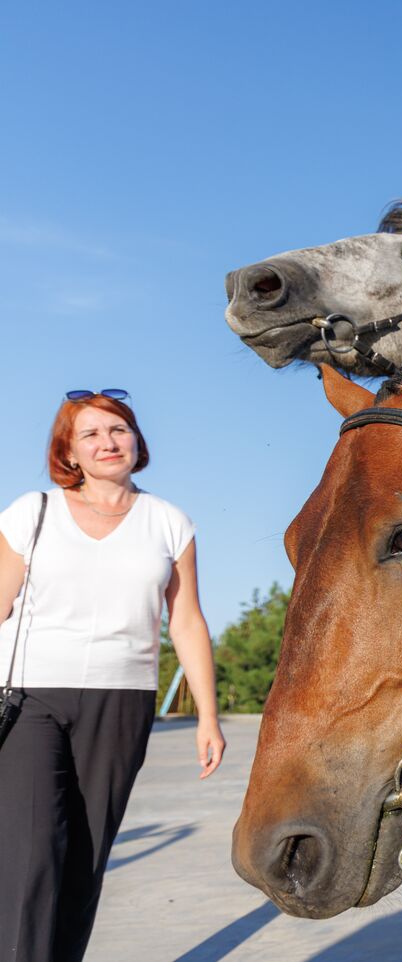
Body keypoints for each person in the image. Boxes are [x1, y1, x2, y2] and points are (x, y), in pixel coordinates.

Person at [0, 389, 225, 962]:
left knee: (86, 857)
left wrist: (207, 716)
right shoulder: (33, 511)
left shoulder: (169, 522)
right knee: (34, 854)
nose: (108, 442)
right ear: (69, 452)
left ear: (136, 442)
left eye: (118, 430)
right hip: (29, 698)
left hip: (122, 702)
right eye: (91, 434)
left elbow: (187, 621)